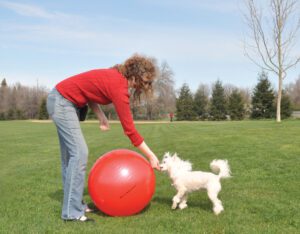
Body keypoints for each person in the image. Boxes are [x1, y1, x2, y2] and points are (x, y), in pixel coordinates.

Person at [46, 54, 160, 222]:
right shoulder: (119, 87)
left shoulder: (115, 76)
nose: (143, 87)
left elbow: (90, 93)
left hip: (60, 99)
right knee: (79, 153)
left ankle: (75, 205)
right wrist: (150, 155)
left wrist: (101, 116)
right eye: (144, 83)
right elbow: (130, 131)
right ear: (135, 77)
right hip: (62, 102)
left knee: (71, 157)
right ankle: (72, 213)